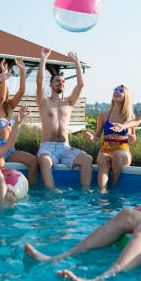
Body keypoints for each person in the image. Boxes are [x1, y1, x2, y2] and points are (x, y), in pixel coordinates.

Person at [36, 48, 93, 190]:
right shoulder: (44, 102)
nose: (60, 83)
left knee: (87, 159)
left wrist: (77, 63)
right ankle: (52, 192)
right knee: (44, 160)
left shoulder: (69, 102)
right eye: (57, 81)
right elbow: (39, 82)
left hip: (65, 147)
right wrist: (43, 58)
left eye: (62, 81)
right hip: (48, 147)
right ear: (51, 85)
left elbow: (81, 85)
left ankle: (85, 192)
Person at [0, 57, 39, 186]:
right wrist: (3, 77)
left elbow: (21, 92)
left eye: (2, 87)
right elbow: (1, 97)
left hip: (10, 149)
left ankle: (31, 192)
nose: (1, 90)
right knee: (0, 164)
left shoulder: (8, 108)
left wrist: (23, 71)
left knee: (34, 161)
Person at [84, 85, 136, 193]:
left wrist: (132, 137)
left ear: (126, 96)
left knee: (117, 154)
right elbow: (97, 137)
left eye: (120, 91)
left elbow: (133, 139)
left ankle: (112, 188)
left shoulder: (130, 117)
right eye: (115, 90)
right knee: (103, 159)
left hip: (123, 151)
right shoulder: (103, 116)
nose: (117, 92)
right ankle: (102, 192)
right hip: (105, 149)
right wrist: (92, 137)